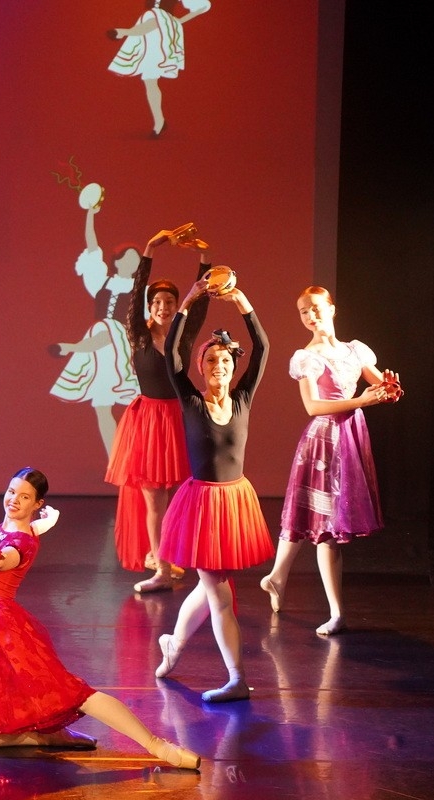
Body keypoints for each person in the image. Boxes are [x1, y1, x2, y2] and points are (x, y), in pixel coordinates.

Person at [0, 468, 200, 770]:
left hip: (0, 627)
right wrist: (43, 521)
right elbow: (30, 527)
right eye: (12, 492)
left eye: (24, 497)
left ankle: (158, 746)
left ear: (37, 503)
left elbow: (11, 554)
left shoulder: (20, 542)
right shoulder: (17, 525)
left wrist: (0, 561)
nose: (14, 500)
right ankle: (44, 737)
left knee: (73, 693)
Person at [154, 276, 272, 702]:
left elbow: (263, 348)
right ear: (200, 368)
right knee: (219, 593)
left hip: (234, 502)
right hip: (202, 505)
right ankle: (236, 678)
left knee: (210, 588)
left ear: (232, 367)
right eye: (210, 361)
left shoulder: (242, 398)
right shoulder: (191, 401)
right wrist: (188, 299)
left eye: (224, 360)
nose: (218, 366)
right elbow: (172, 352)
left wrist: (242, 301)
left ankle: (173, 645)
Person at [259, 287, 399, 635]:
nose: (311, 315)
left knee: (321, 523)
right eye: (304, 311)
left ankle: (279, 577)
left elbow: (379, 386)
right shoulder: (307, 357)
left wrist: (390, 390)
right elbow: (313, 407)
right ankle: (331, 610)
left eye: (316, 308)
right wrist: (363, 401)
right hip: (323, 441)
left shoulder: (354, 350)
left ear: (332, 309)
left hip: (350, 436)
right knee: (322, 524)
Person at [106, 228, 209, 590]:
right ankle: (161, 568)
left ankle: (172, 555)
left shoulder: (183, 335)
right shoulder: (139, 335)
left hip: (180, 418)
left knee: (182, 498)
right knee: (154, 500)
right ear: (150, 308)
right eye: (158, 303)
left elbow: (201, 303)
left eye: (170, 302)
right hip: (149, 422)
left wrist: (204, 258)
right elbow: (136, 293)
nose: (164, 307)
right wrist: (149, 249)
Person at [50, 200, 141, 459]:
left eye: (136, 260)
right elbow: (92, 247)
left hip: (123, 346)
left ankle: (72, 347)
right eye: (128, 258)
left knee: (107, 328)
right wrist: (90, 214)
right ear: (117, 261)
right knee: (102, 406)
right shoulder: (102, 282)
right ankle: (114, 460)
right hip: (101, 354)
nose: (132, 263)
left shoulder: (141, 291)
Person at [108, 0, 212, 136]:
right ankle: (159, 121)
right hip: (153, 34)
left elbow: (202, 5)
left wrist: (178, 21)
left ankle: (124, 32)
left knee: (150, 78)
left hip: (162, 27)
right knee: (150, 80)